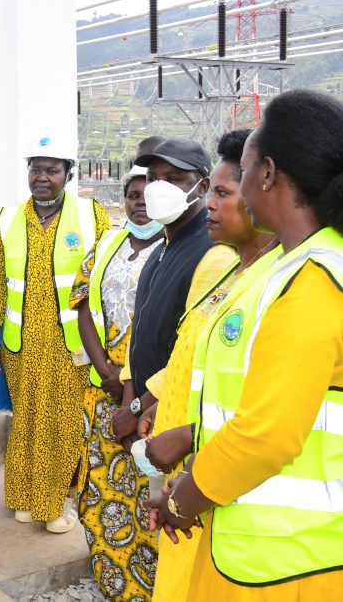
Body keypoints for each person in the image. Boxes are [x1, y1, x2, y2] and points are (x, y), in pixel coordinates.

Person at [150, 88, 343, 598]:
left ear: (267, 173)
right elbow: (289, 399)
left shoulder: (314, 278)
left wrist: (183, 498)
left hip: (291, 558)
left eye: (243, 169)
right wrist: (194, 435)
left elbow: (270, 433)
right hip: (271, 546)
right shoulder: (289, 265)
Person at [131, 129, 277, 601]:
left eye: (222, 192)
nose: (211, 204)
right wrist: (157, 408)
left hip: (218, 477)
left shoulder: (270, 282)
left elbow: (260, 410)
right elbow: (191, 361)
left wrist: (186, 460)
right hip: (188, 462)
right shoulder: (236, 272)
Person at [0, 136, 111, 533]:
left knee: (66, 424)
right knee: (28, 420)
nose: (42, 177)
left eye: (52, 170)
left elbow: (105, 276)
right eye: (36, 169)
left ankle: (57, 503)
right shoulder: (8, 218)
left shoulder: (92, 216)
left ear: (67, 175)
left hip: (73, 346)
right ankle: (25, 495)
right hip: (21, 345)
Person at [69, 163, 163, 599]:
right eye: (133, 195)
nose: (139, 202)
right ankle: (113, 581)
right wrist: (104, 367)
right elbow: (80, 301)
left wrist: (130, 383)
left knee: (148, 485)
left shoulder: (177, 248)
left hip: (151, 387)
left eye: (148, 195)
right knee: (103, 485)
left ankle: (152, 586)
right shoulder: (106, 243)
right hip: (103, 383)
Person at [113, 139, 213, 453]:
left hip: (175, 412)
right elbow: (139, 332)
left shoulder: (211, 252)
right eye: (154, 178)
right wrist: (130, 402)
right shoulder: (160, 251)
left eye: (172, 179)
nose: (158, 187)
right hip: (145, 414)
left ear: (201, 187)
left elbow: (193, 351)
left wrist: (137, 408)